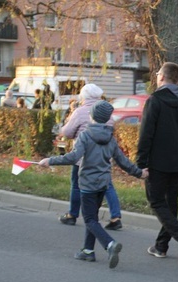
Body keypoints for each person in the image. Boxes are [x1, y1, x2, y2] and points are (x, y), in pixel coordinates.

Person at [38, 101, 148, 268]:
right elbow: (122, 160)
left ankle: (109, 244)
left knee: (89, 219)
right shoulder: (110, 138)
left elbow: (74, 157)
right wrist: (139, 173)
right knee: (93, 217)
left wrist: (50, 160)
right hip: (103, 183)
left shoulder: (85, 135)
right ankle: (88, 250)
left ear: (93, 116)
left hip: (88, 184)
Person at [136, 62, 178, 263]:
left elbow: (146, 134)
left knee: (156, 201)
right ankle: (161, 246)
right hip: (176, 162)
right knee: (170, 205)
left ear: (162, 77)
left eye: (157, 74)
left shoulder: (155, 100)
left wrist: (141, 163)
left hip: (156, 161)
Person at [58, 84, 125, 230]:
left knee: (76, 185)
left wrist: (66, 121)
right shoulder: (106, 112)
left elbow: (68, 132)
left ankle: (72, 215)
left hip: (82, 158)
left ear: (83, 96)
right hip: (103, 157)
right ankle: (115, 217)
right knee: (108, 186)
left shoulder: (79, 112)